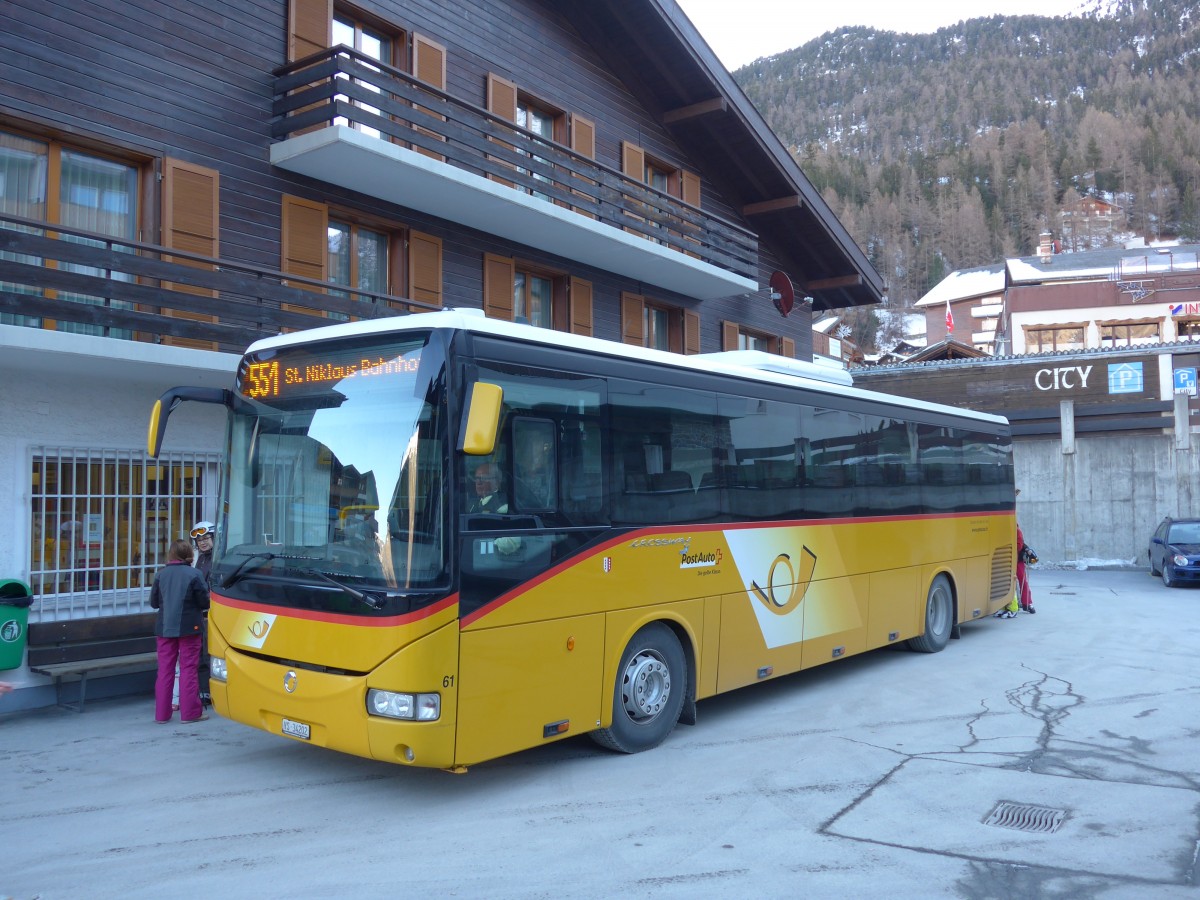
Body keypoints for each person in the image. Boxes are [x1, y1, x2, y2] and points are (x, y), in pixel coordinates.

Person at [151, 538, 210, 723]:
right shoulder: (195, 574)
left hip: (164, 628)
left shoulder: (160, 575)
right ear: (189, 555)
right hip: (189, 628)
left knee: (165, 671)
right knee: (188, 670)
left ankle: (161, 715)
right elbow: (205, 602)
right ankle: (190, 713)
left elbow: (153, 603)